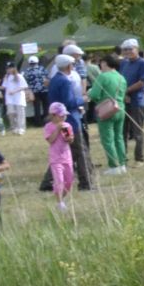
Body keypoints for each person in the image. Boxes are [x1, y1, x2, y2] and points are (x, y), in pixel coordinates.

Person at [41, 54, 94, 192]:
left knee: (66, 150)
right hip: (69, 120)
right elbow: (69, 102)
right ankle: (85, 183)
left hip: (60, 119)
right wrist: (84, 99)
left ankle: (48, 182)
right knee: (81, 152)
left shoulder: (55, 79)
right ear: (69, 66)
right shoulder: (64, 81)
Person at [89, 53, 129, 175]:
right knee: (119, 137)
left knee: (107, 139)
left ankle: (114, 166)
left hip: (106, 110)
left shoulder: (103, 77)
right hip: (120, 109)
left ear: (105, 63)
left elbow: (94, 95)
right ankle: (122, 164)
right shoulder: (122, 77)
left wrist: (89, 92)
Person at [118, 38, 144, 165]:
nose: (127, 52)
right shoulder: (123, 63)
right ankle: (122, 158)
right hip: (123, 101)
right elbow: (119, 79)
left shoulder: (143, 63)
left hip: (136, 101)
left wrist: (126, 91)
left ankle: (139, 159)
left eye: (130, 49)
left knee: (137, 131)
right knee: (122, 131)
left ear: (137, 49)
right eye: (125, 49)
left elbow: (142, 81)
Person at [44, 101, 77, 210]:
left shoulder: (67, 125)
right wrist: (57, 129)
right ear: (53, 115)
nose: (64, 118)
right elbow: (51, 140)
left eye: (65, 116)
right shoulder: (49, 127)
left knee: (69, 181)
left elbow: (70, 140)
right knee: (59, 181)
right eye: (61, 116)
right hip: (56, 158)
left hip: (67, 157)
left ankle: (61, 198)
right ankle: (60, 202)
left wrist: (69, 138)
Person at [22, 55, 48, 126]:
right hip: (44, 90)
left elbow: (25, 81)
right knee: (46, 106)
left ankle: (38, 123)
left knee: (37, 107)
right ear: (37, 62)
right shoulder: (42, 69)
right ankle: (47, 121)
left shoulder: (27, 71)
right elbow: (47, 78)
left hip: (34, 91)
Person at [2, 64, 28, 134]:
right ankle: (14, 127)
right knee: (11, 112)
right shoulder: (7, 77)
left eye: (10, 68)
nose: (9, 70)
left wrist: (15, 91)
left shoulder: (19, 76)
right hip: (9, 98)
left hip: (18, 97)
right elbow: (4, 87)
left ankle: (21, 128)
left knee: (20, 113)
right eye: (7, 68)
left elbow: (24, 86)